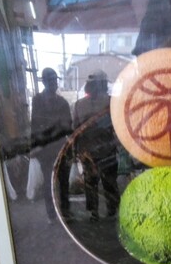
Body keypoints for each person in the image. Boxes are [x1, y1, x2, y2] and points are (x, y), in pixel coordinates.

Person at [73, 71, 120, 221]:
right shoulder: (111, 102)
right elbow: (118, 127)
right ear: (103, 85)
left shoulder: (79, 105)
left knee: (91, 184)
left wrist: (76, 152)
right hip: (106, 150)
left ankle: (94, 212)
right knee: (109, 182)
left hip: (89, 152)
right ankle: (111, 210)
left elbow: (75, 131)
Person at [30, 68, 72, 222]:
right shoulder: (37, 101)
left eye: (55, 80)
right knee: (49, 183)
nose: (54, 83)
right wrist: (34, 146)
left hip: (61, 149)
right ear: (44, 82)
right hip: (46, 150)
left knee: (64, 182)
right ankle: (52, 215)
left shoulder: (63, 102)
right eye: (51, 80)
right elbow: (34, 125)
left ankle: (65, 212)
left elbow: (68, 126)